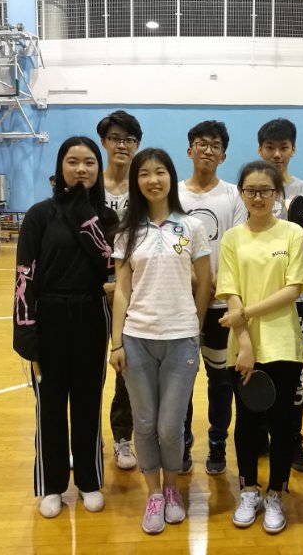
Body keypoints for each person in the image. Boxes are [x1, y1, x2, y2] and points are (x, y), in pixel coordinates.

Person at [13, 136, 118, 519]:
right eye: (72, 161)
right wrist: (26, 331)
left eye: (89, 162)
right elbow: (24, 275)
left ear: (98, 169)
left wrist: (82, 211)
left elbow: (110, 265)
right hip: (49, 316)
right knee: (50, 406)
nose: (81, 169)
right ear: (60, 167)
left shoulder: (107, 218)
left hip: (92, 315)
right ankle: (52, 484)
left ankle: (89, 481)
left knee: (89, 402)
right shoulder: (39, 215)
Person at [109, 148, 211, 535]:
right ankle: (153, 493)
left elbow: (205, 284)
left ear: (171, 176)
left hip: (181, 339)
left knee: (170, 426)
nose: (153, 180)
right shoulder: (127, 231)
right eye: (144, 174)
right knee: (145, 422)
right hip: (136, 339)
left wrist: (195, 327)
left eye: (160, 172)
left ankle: (172, 488)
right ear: (136, 182)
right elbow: (122, 289)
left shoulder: (192, 227)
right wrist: (116, 343)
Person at [217, 160, 303, 535]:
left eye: (265, 190)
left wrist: (245, 314)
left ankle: (275, 494)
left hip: (284, 343)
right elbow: (230, 291)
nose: (257, 197)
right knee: (247, 422)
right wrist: (244, 343)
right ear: (242, 194)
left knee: (282, 425)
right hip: (242, 346)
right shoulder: (232, 238)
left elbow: (293, 288)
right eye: (250, 190)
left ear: (277, 194)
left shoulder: (292, 234)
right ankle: (249, 491)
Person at [178, 120, 247, 475]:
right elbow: (172, 245)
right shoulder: (174, 195)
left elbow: (236, 246)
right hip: (181, 305)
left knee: (221, 381)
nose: (208, 150)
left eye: (215, 145)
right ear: (190, 150)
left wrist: (211, 283)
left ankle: (217, 444)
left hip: (221, 304)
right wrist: (195, 280)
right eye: (202, 143)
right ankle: (182, 444)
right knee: (182, 381)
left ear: (223, 155)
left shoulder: (234, 195)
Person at [257, 117, 303, 472]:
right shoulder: (252, 187)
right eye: (270, 147)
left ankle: (292, 438)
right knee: (259, 367)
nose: (277, 154)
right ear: (260, 150)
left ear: (293, 149)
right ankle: (261, 435)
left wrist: (284, 235)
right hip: (258, 296)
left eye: (283, 147)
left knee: (294, 373)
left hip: (298, 296)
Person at [97, 109, 143, 470]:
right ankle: (86, 439)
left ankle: (123, 438)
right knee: (86, 372)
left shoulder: (144, 186)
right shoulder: (90, 185)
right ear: (104, 142)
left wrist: (124, 285)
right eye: (115, 138)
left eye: (129, 139)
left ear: (137, 145)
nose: (122, 145)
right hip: (92, 290)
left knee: (125, 368)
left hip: (132, 290)